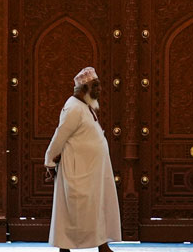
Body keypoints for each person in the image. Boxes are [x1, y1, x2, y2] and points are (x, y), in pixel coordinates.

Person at [44, 66, 121, 252]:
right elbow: (59, 136)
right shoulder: (73, 108)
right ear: (84, 88)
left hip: (91, 171)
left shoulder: (85, 106)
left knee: (97, 209)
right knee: (74, 212)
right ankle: (65, 248)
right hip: (78, 171)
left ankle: (102, 245)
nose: (99, 89)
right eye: (95, 86)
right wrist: (49, 161)